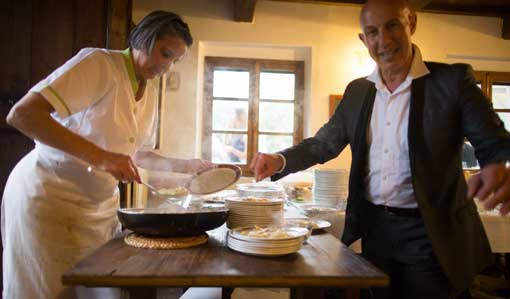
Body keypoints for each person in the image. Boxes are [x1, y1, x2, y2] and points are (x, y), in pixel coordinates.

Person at [250, 1, 510, 298]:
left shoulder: (452, 81)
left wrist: (495, 164)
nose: (383, 40)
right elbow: (324, 144)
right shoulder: (358, 91)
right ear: (364, 39)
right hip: (375, 230)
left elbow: (492, 138)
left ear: (411, 23)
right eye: (372, 32)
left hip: (431, 233)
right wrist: (280, 159)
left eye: (393, 25)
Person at [2, 11, 210, 299]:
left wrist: (185, 166)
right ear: (143, 39)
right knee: (49, 290)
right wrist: (101, 157)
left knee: (98, 291)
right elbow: (22, 115)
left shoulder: (148, 91)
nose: (166, 66)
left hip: (97, 211)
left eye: (174, 60)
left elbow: (138, 154)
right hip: (49, 199)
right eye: (164, 53)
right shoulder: (99, 64)